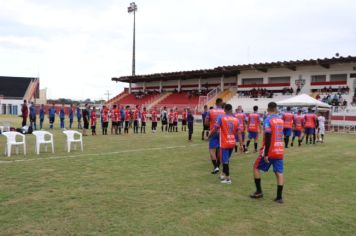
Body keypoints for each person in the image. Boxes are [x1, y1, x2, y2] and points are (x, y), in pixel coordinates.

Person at [250, 102, 285, 203]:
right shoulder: (280, 120)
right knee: (279, 172)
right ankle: (279, 197)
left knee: (256, 167)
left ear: (268, 108)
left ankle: (259, 191)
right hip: (279, 150)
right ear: (276, 109)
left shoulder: (268, 119)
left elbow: (268, 136)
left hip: (270, 150)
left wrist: (266, 154)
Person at [208, 104, 243, 184]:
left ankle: (228, 179)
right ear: (231, 110)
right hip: (232, 142)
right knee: (226, 159)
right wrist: (241, 145)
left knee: (225, 161)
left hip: (225, 143)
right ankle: (223, 174)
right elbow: (239, 133)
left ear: (224, 110)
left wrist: (210, 135)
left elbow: (215, 128)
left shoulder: (221, 117)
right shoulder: (236, 119)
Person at [205, 98, 225, 174]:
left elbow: (206, 122)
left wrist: (211, 123)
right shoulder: (224, 111)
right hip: (222, 132)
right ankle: (218, 165)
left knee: (212, 150)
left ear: (216, 103)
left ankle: (215, 167)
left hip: (213, 132)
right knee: (219, 150)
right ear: (221, 103)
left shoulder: (210, 111)